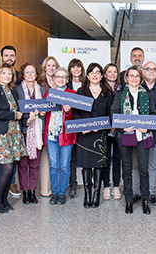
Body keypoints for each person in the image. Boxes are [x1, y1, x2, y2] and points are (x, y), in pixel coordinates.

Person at [111, 66, 156, 214]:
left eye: (137, 76)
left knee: (144, 169)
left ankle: (145, 200)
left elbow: (153, 113)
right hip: (125, 135)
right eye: (132, 76)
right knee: (127, 169)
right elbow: (114, 113)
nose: (134, 78)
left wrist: (147, 127)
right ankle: (128, 201)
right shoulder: (120, 94)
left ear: (140, 78)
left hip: (142, 136)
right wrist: (122, 127)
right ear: (127, 78)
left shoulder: (146, 94)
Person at [0, 63, 27, 213]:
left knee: (10, 169)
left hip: (13, 133)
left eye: (9, 74)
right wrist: (13, 115)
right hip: (0, 134)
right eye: (3, 73)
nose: (7, 76)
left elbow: (20, 110)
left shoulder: (13, 91)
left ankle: (4, 200)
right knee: (7, 167)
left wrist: (25, 118)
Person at [74, 63, 113, 208]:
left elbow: (111, 114)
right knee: (86, 166)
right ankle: (87, 195)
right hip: (84, 134)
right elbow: (76, 112)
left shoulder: (108, 93)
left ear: (102, 76)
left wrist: (101, 126)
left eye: (98, 72)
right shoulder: (80, 92)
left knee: (98, 165)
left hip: (100, 135)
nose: (95, 75)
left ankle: (96, 194)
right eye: (92, 72)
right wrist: (81, 126)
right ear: (88, 75)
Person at [44, 67, 76, 205]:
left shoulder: (73, 94)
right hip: (51, 134)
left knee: (64, 165)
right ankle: (55, 192)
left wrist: (68, 112)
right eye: (58, 76)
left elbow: (77, 117)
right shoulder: (47, 94)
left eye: (63, 77)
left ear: (67, 79)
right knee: (54, 165)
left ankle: (62, 193)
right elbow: (45, 112)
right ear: (54, 78)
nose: (60, 79)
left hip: (66, 135)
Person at [15, 63, 46, 205]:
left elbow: (46, 109)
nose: (30, 74)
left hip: (38, 130)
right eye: (27, 72)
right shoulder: (17, 91)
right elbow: (16, 111)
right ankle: (25, 192)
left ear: (36, 74)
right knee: (23, 164)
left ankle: (32, 191)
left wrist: (43, 113)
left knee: (35, 163)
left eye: (32, 72)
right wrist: (27, 120)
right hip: (24, 131)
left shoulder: (42, 89)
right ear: (23, 74)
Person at [0, 46, 22, 197]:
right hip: (0, 129)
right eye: (6, 55)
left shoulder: (15, 84)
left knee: (12, 160)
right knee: (0, 163)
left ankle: (11, 183)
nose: (9, 58)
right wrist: (14, 115)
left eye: (12, 55)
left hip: (14, 130)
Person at [142, 61, 156, 205]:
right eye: (148, 69)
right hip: (138, 132)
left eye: (154, 69)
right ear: (143, 71)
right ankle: (138, 192)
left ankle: (152, 193)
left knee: (153, 164)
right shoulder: (136, 88)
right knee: (138, 165)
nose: (151, 71)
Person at [39, 56, 60, 197]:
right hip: (44, 124)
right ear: (44, 67)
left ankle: (58, 187)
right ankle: (45, 189)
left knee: (58, 160)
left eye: (54, 65)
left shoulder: (61, 82)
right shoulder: (40, 84)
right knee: (46, 159)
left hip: (60, 126)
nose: (51, 68)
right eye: (49, 65)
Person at [103, 63, 122, 200]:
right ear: (105, 74)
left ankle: (116, 185)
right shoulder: (101, 88)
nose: (112, 74)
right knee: (105, 159)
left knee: (117, 159)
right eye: (109, 71)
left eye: (114, 72)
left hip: (118, 129)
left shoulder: (122, 89)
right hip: (104, 129)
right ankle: (105, 186)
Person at [65, 58, 84, 198]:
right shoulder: (66, 85)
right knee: (71, 156)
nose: (76, 70)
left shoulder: (86, 84)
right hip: (70, 124)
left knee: (81, 155)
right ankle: (72, 183)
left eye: (78, 67)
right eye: (73, 67)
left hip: (84, 124)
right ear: (70, 69)